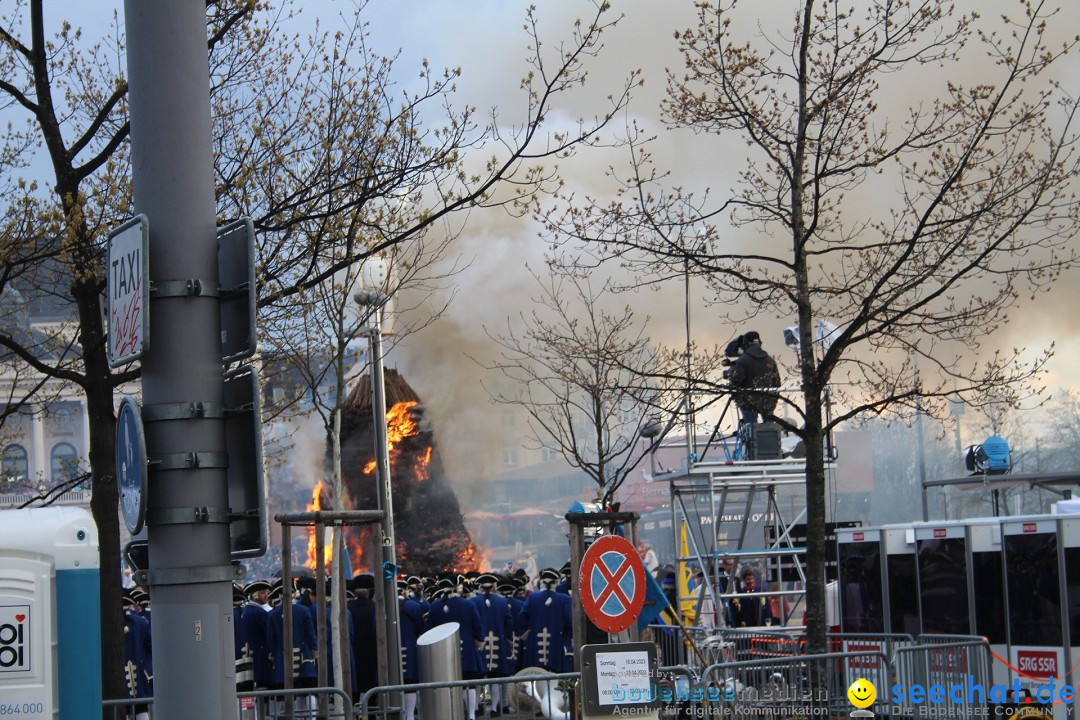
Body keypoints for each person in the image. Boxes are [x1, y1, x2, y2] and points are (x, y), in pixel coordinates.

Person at [728, 331, 780, 426]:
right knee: (769, 429)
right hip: (768, 401)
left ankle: (751, 439)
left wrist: (734, 392)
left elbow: (736, 381)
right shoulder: (770, 360)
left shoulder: (742, 360)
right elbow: (777, 383)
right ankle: (769, 440)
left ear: (745, 343)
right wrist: (773, 400)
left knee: (750, 428)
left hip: (748, 402)